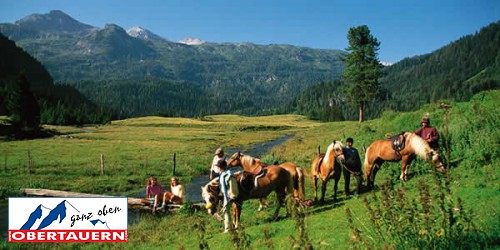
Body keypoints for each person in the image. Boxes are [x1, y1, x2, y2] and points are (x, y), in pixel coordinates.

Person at [217, 159, 239, 233]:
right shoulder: (222, 174)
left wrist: (232, 196)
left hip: (229, 196)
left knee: (226, 210)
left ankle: (228, 228)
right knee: (225, 211)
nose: (218, 168)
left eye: (219, 167)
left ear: (222, 167)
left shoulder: (229, 175)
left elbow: (233, 186)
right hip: (225, 195)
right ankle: (230, 227)